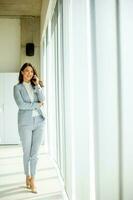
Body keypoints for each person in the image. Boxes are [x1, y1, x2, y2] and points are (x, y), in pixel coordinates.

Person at [13, 63, 45, 193]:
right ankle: (28, 176)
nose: (29, 73)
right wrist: (36, 105)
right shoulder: (17, 87)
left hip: (39, 121)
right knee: (27, 152)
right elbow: (21, 105)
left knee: (35, 154)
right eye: (26, 71)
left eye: (31, 72)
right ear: (22, 72)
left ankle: (33, 180)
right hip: (25, 123)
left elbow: (43, 99)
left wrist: (37, 85)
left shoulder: (35, 86)